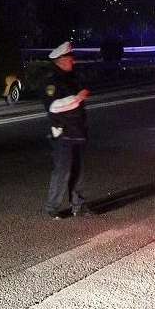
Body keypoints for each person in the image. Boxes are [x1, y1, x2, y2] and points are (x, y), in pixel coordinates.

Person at [43, 41, 91, 219]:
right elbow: (53, 106)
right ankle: (52, 208)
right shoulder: (51, 81)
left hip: (77, 130)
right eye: (71, 59)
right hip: (62, 132)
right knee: (62, 171)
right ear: (61, 60)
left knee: (79, 170)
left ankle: (79, 205)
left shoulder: (71, 77)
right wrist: (77, 98)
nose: (74, 62)